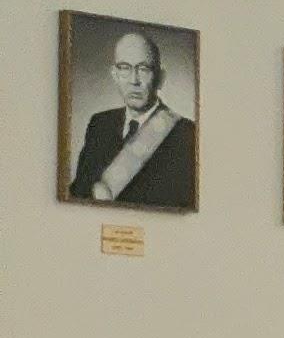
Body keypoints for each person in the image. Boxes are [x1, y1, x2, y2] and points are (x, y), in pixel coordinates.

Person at [68, 29, 196, 210]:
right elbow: (78, 193)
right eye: (125, 68)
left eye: (143, 69)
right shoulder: (99, 124)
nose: (134, 80)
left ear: (160, 77)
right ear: (115, 74)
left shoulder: (187, 133)